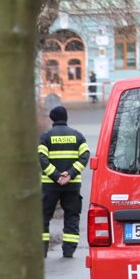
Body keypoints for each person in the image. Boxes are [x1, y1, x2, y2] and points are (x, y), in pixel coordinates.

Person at [39, 105, 90, 258]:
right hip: (72, 185)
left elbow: (41, 158)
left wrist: (56, 176)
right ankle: (69, 250)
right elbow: (85, 156)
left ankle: (42, 251)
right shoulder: (78, 136)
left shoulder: (45, 136)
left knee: (43, 217)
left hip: (50, 186)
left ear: (52, 119)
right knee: (72, 216)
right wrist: (70, 174)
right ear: (66, 117)